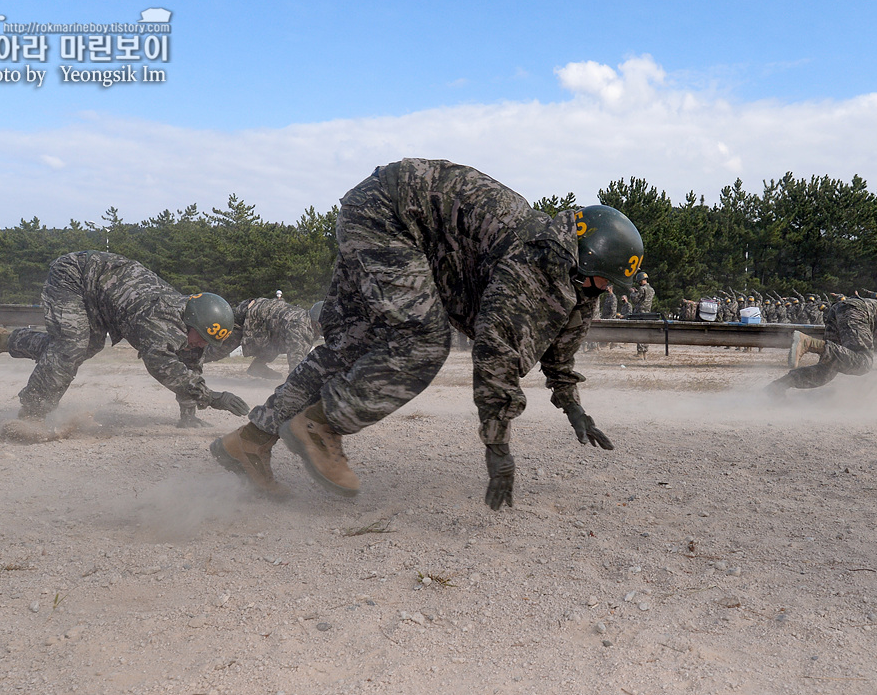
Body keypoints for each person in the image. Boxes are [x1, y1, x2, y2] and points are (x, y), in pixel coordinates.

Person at [209, 158, 644, 506]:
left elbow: (561, 342)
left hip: (380, 214)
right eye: (604, 280)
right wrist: (498, 452)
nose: (605, 291)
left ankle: (250, 440)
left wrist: (572, 407)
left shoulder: (569, 271)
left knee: (349, 347)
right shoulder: (533, 261)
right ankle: (321, 427)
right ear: (583, 261)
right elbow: (496, 355)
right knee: (423, 339)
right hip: (386, 218)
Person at [0, 250, 251, 427]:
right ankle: (32, 415)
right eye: (201, 338)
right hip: (74, 276)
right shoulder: (160, 319)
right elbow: (163, 365)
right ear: (190, 323)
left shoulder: (189, 321)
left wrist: (188, 417)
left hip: (103, 297)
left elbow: (189, 362)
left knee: (79, 347)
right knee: (70, 346)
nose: (202, 344)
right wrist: (213, 397)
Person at [204, 297, 318, 379]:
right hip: (246, 317)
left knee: (277, 344)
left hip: (262, 325)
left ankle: (257, 367)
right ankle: (189, 363)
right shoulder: (298, 327)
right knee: (217, 350)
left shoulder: (307, 321)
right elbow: (296, 363)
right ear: (317, 322)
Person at [629, 271, 655, 359]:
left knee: (640, 331)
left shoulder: (642, 289)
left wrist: (632, 293)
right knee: (645, 331)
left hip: (640, 313)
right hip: (647, 312)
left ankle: (640, 352)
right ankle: (644, 352)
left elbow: (635, 300)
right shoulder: (651, 289)